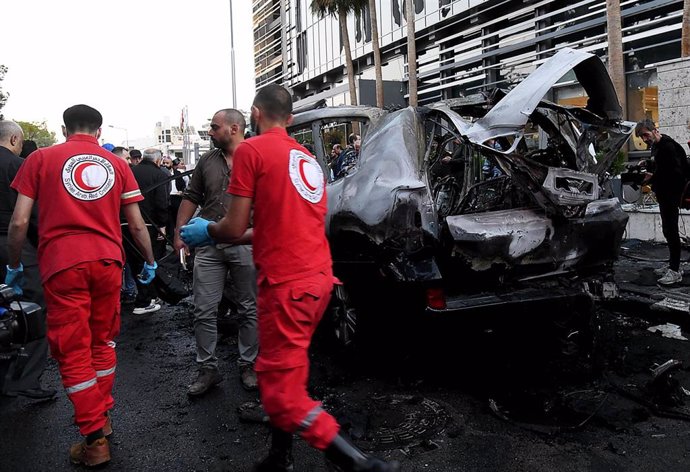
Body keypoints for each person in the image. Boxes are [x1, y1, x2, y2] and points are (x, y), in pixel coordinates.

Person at [180, 85, 400, 472]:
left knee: (283, 393)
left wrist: (208, 230)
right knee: (274, 369)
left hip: (288, 285)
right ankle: (279, 457)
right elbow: (273, 227)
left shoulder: (251, 150)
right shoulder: (306, 159)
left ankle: (361, 464)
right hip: (316, 280)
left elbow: (232, 226)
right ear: (292, 119)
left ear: (254, 114)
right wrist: (227, 231)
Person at [4, 104, 157, 467]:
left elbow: (19, 221)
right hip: (108, 262)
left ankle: (94, 439)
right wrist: (150, 261)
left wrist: (13, 265)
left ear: (63, 129)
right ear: (100, 132)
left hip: (62, 265)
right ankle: (101, 417)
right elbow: (136, 225)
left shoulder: (40, 159)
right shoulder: (118, 164)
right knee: (102, 342)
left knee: (72, 351)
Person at [173, 108, 259, 395]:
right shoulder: (207, 160)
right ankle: (208, 369)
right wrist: (179, 232)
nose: (209, 132)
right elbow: (191, 196)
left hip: (246, 241)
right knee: (203, 309)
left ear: (234, 128)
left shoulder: (257, 156)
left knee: (249, 307)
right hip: (208, 242)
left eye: (214, 127)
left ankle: (248, 364)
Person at [0, 120, 55, 400]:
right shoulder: (17, 165)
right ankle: (25, 380)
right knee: (30, 311)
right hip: (15, 247)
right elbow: (27, 217)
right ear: (13, 140)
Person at [635, 119, 688, 285]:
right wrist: (648, 163)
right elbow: (661, 165)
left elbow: (675, 173)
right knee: (668, 230)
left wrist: (652, 177)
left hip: (672, 194)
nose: (644, 139)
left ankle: (675, 270)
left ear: (654, 130)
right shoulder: (657, 147)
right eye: (641, 137)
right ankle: (674, 265)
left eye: (646, 134)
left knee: (670, 230)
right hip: (664, 194)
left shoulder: (668, 146)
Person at [124, 148, 168, 314]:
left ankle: (141, 295)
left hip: (125, 223)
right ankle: (145, 299)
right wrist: (162, 224)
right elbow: (161, 202)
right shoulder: (159, 175)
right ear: (157, 160)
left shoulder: (130, 172)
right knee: (150, 260)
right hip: (148, 225)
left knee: (134, 262)